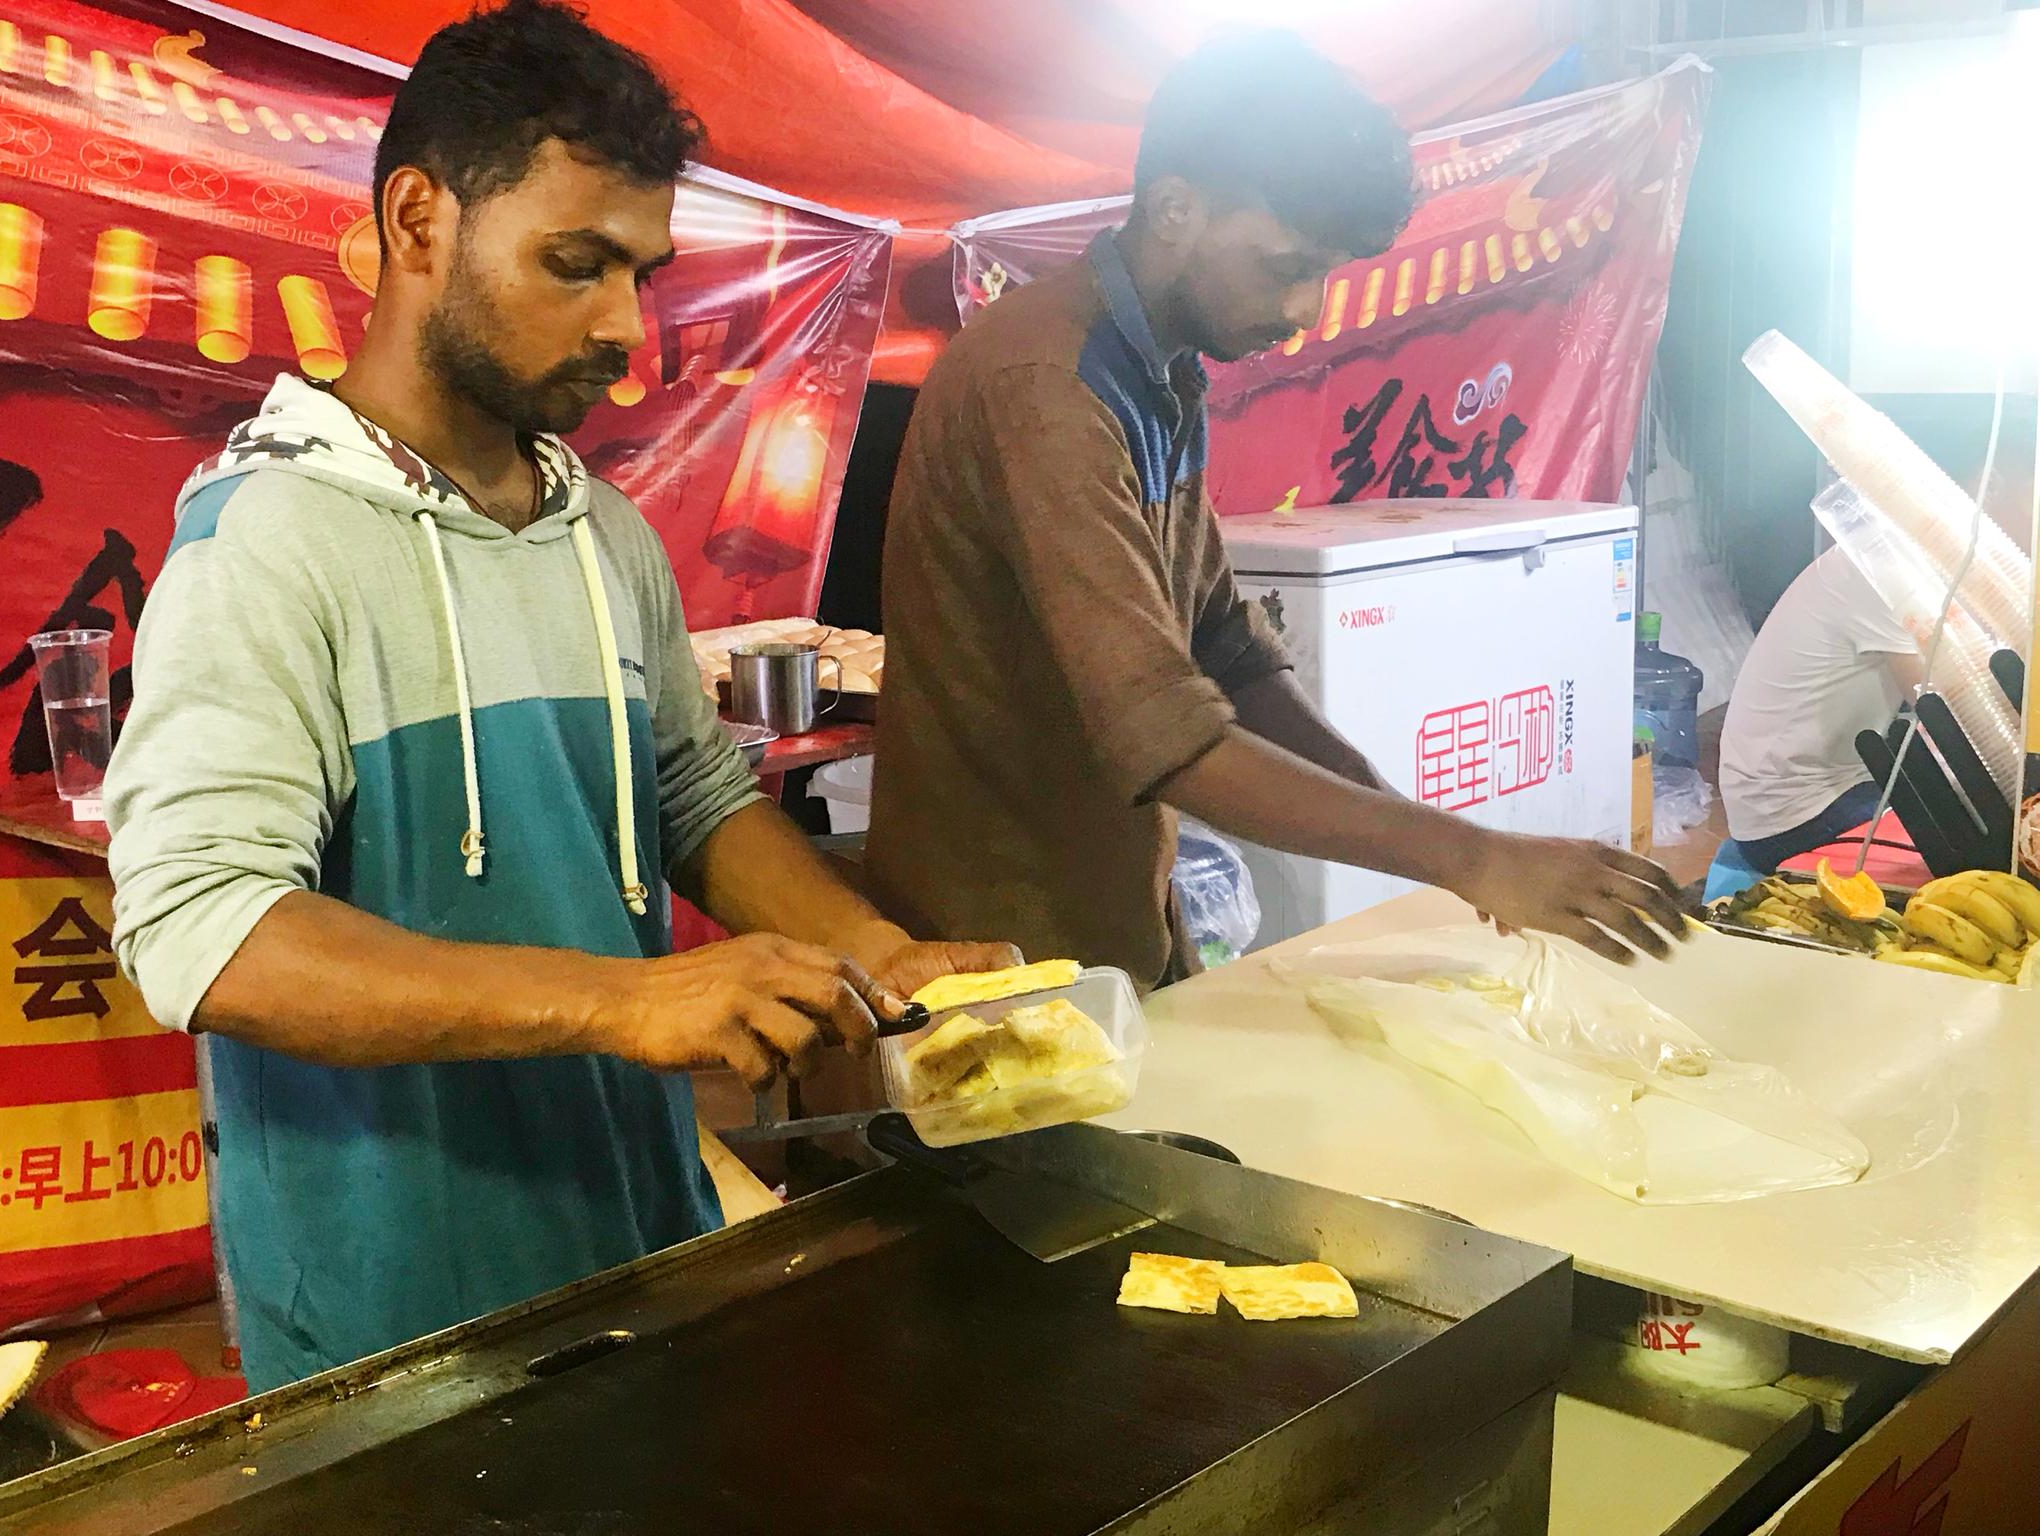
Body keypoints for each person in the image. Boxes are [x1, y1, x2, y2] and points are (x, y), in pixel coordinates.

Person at [104, 0, 1013, 1391]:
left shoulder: (602, 533)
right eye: (576, 264)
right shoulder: (268, 544)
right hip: (396, 1311)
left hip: (632, 1225)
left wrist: (867, 954)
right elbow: (204, 931)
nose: (623, 329)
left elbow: (692, 794)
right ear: (418, 223)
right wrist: (616, 1004)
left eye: (641, 274)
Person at [866, 31, 1688, 993]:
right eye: (1284, 264)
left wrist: (1419, 833)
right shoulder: (1048, 384)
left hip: (1110, 900)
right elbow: (1166, 737)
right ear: (1176, 207)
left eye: (1325, 270)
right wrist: (1470, 857)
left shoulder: (1157, 370)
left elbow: (1225, 644)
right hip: (991, 941)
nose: (1305, 306)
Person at [1719, 429, 2034, 871]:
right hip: (1798, 812)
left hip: (1848, 780)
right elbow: (1964, 716)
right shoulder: (1886, 566)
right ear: (1991, 482)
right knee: (1989, 848)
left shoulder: (1925, 561)